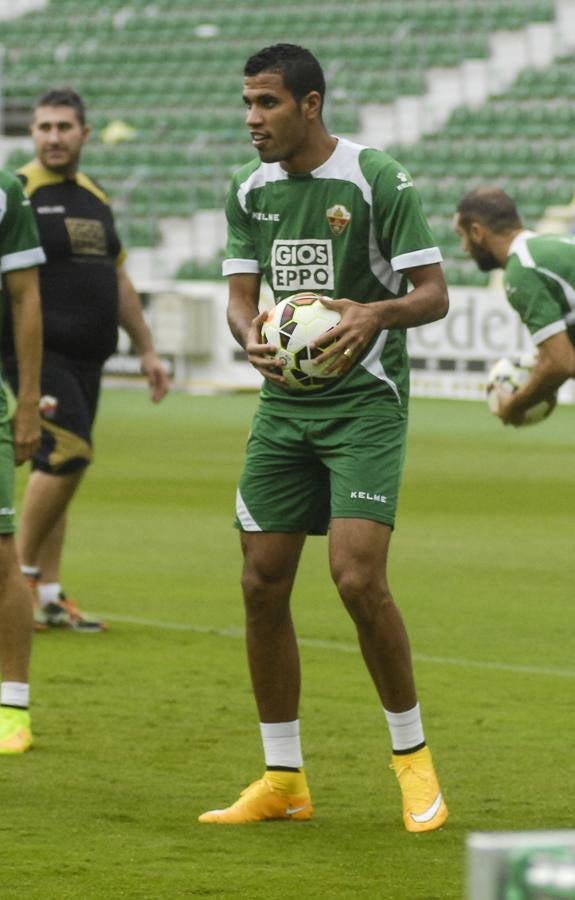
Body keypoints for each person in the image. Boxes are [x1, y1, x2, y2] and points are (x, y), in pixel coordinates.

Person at [198, 44, 449, 832]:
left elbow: (433, 294)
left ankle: (412, 765)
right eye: (246, 103)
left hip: (364, 404)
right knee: (260, 582)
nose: (251, 119)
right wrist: (251, 337)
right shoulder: (248, 190)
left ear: (310, 104)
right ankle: (283, 780)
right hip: (285, 405)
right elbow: (240, 298)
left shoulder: (376, 179)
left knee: (355, 579)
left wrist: (373, 313)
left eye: (266, 103)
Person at [2, 87, 170, 632]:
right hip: (37, 354)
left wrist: (146, 348)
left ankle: (49, 594)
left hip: (89, 358)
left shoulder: (94, 196)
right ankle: (19, 580)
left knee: (61, 470)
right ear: (33, 134)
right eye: (44, 127)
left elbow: (117, 276)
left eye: (63, 127)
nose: (53, 137)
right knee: (70, 453)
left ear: (84, 133)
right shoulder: (19, 190)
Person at [454, 186, 575, 425]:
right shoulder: (553, 244)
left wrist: (514, 405)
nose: (463, 247)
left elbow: (561, 363)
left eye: (462, 235)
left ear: (477, 232)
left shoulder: (522, 270)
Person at [0, 167, 44, 752]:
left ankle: (12, 707)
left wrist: (29, 398)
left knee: (1, 555)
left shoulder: (6, 189)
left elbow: (26, 294)